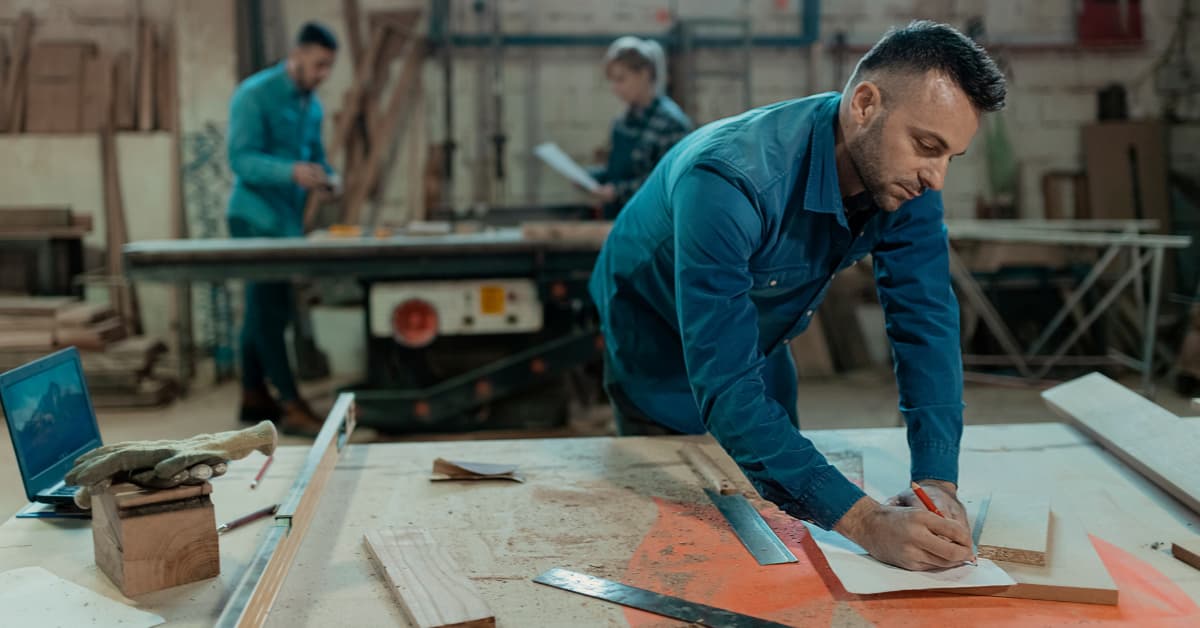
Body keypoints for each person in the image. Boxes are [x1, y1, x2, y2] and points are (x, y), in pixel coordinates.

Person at [588, 21, 1007, 571]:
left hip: (763, 328)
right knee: (679, 530)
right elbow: (725, 385)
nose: (937, 178)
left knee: (778, 504)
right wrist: (865, 522)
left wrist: (937, 479)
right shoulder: (729, 181)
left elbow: (924, 321)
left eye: (952, 156)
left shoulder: (908, 183)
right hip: (652, 328)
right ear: (864, 104)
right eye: (927, 146)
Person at [226, 22, 339, 436]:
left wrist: (330, 180)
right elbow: (240, 159)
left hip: (287, 224)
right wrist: (290, 171)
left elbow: (321, 159)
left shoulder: (313, 106)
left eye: (329, 67)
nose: (324, 74)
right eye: (319, 64)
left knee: (262, 309)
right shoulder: (254, 95)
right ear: (298, 53)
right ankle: (290, 404)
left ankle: (253, 394)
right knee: (271, 313)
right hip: (253, 217)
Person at [590, 36, 693, 219]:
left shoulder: (670, 124)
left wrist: (617, 192)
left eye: (621, 79)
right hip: (618, 221)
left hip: (649, 228)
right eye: (612, 81)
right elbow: (618, 172)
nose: (615, 88)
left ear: (644, 74)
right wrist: (590, 178)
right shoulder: (623, 121)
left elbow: (666, 183)